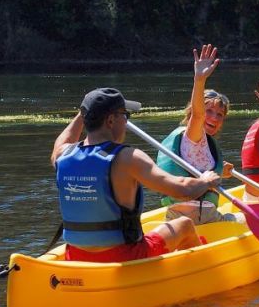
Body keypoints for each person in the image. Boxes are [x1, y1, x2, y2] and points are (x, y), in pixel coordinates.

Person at [51, 87, 220, 262]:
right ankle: (201, 272)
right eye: (125, 115)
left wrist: (84, 111)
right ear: (110, 120)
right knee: (184, 225)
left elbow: (62, 141)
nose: (126, 121)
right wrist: (206, 180)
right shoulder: (127, 157)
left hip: (76, 256)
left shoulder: (63, 155)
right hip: (124, 256)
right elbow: (182, 190)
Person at [156, 44, 241, 224]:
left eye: (220, 115)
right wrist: (199, 80)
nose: (214, 118)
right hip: (201, 218)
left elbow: (196, 169)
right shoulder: (193, 136)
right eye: (209, 111)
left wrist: (219, 171)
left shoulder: (203, 144)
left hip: (178, 216)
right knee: (245, 218)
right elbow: (198, 114)